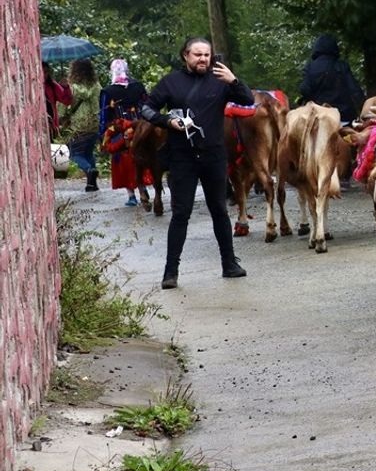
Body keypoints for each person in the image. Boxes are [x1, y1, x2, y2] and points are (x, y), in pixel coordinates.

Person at [140, 38, 253, 289]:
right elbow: (146, 110)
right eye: (197, 54)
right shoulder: (171, 82)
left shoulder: (221, 80)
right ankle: (171, 272)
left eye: (206, 54)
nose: (202, 59)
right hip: (182, 157)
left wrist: (234, 80)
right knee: (181, 213)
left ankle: (229, 264)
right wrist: (166, 121)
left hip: (214, 155)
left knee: (220, 211)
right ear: (185, 56)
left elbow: (248, 100)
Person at [99, 58, 148, 207]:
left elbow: (104, 114)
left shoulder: (108, 91)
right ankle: (142, 188)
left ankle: (131, 195)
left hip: (119, 130)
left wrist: (103, 134)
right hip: (140, 128)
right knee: (140, 158)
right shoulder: (138, 87)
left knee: (124, 161)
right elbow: (147, 106)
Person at [298, 33, 363, 123]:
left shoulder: (310, 67)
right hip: (343, 117)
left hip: (319, 116)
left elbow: (305, 89)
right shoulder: (342, 66)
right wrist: (362, 108)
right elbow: (355, 91)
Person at [64, 58, 102, 192]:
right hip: (94, 123)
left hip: (78, 125)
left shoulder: (72, 87)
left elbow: (66, 104)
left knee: (75, 154)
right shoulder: (96, 85)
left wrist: (63, 118)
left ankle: (89, 170)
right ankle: (92, 184)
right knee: (88, 153)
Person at [42, 62, 72, 141]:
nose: (44, 75)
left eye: (46, 72)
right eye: (41, 71)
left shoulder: (52, 85)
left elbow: (67, 101)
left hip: (51, 127)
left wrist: (66, 87)